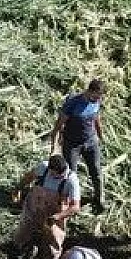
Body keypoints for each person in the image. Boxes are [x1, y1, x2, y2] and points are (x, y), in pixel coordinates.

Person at [9, 153, 81, 259]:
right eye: (57, 174)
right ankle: (18, 250)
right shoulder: (43, 167)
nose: (60, 176)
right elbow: (28, 177)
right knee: (24, 229)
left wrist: (59, 216)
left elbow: (75, 207)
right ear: (50, 169)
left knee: (53, 238)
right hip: (35, 206)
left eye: (62, 173)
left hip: (55, 212)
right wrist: (18, 188)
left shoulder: (71, 180)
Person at [51, 79, 107, 213]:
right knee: (72, 175)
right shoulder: (73, 103)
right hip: (72, 145)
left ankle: (99, 200)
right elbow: (59, 125)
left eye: (100, 97)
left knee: (96, 172)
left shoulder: (97, 102)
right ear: (90, 91)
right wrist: (54, 145)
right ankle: (72, 204)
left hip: (91, 141)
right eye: (96, 96)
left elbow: (96, 119)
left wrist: (101, 136)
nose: (97, 99)